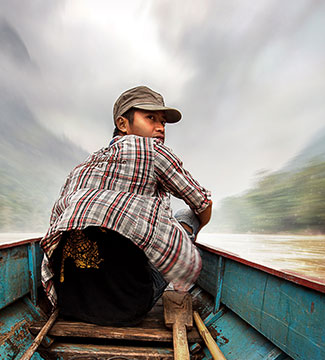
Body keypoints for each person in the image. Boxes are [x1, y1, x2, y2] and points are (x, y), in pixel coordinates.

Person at [39, 85, 212, 326]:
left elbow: (54, 227)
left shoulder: (81, 168)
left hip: (69, 303)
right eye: (150, 118)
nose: (160, 127)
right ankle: (176, 275)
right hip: (128, 309)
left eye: (163, 122)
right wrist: (184, 239)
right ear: (123, 124)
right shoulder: (153, 151)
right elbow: (203, 204)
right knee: (186, 215)